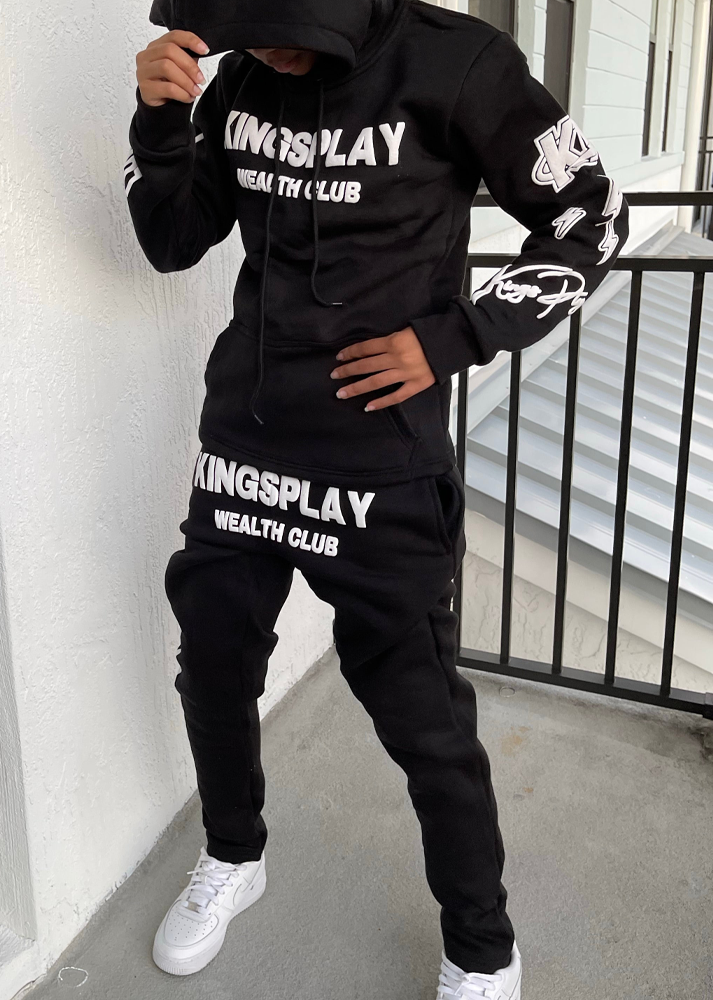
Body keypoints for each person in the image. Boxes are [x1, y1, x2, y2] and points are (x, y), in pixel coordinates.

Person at [125, 0, 628, 994]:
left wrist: (456, 338)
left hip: (381, 464)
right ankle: (233, 853)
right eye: (245, 31)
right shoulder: (240, 81)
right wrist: (158, 122)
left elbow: (590, 216)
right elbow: (172, 240)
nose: (265, 52)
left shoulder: (459, 64)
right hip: (247, 439)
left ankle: (481, 945)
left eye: (284, 31)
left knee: (422, 720)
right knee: (212, 668)